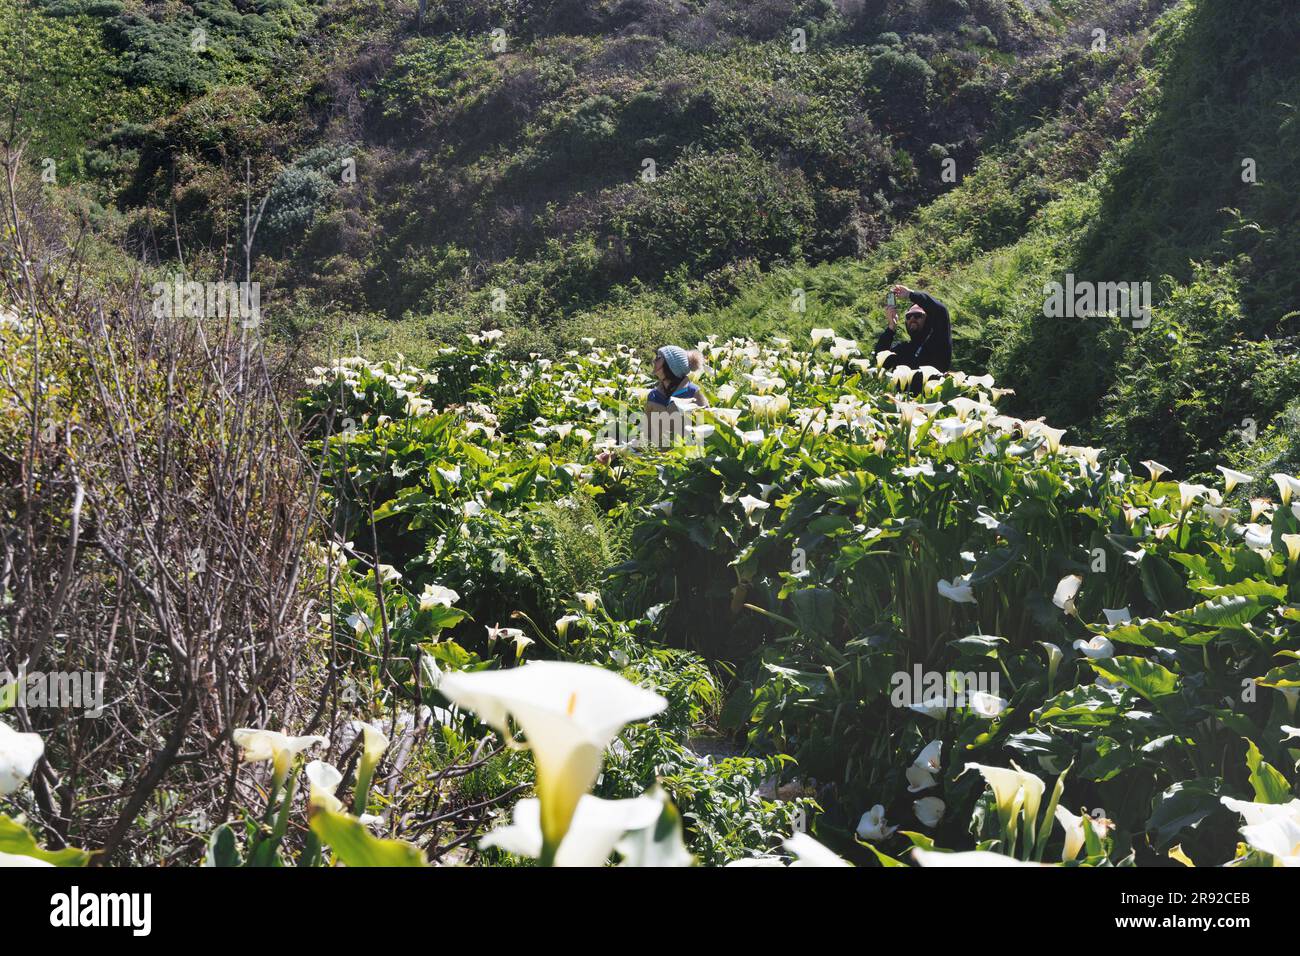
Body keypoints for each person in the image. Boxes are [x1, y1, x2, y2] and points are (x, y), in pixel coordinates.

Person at [875, 284, 952, 378]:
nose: (912, 318)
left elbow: (941, 312)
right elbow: (881, 362)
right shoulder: (903, 349)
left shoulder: (938, 342)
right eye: (908, 316)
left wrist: (910, 295)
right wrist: (891, 328)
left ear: (928, 320)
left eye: (918, 315)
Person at [644, 345, 707, 447]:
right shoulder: (653, 395)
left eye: (658, 358)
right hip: (656, 458)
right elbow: (647, 435)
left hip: (685, 457)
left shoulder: (693, 392)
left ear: (670, 365)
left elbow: (706, 432)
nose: (653, 361)